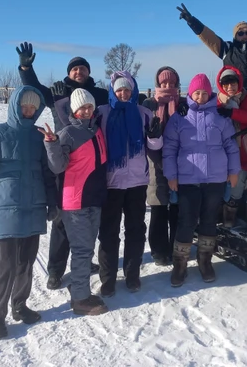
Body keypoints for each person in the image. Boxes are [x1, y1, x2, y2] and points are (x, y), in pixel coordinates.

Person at [0, 86, 56, 339]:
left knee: (26, 264)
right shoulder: (0, 132)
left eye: (33, 107)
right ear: (15, 106)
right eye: (24, 106)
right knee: (4, 267)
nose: (28, 111)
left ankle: (20, 306)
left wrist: (52, 202)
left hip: (34, 206)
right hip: (6, 208)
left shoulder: (39, 135)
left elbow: (48, 173)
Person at [16, 42, 106, 289]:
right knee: (63, 219)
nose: (79, 72)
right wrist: (26, 67)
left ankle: (84, 260)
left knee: (87, 216)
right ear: (69, 73)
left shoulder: (98, 94)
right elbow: (33, 88)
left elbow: (122, 98)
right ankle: (55, 269)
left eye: (83, 69)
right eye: (75, 69)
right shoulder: (58, 91)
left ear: (88, 73)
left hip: (89, 159)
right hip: (63, 156)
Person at [163, 74, 241, 287]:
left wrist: (233, 171)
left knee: (208, 220)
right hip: (188, 179)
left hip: (215, 178)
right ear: (190, 93)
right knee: (186, 221)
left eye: (204, 93)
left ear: (210, 94)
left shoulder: (220, 118)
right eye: (196, 92)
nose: (200, 96)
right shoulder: (179, 118)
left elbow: (231, 146)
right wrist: (171, 176)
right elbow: (169, 149)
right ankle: (180, 265)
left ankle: (205, 261)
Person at [42, 89, 110, 316]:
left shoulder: (96, 130)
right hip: (75, 202)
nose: (86, 110)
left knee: (87, 247)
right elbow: (57, 167)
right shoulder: (68, 133)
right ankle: (80, 299)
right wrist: (51, 143)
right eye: (82, 107)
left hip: (94, 199)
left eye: (89, 106)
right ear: (73, 110)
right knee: (82, 250)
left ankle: (78, 286)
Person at [96, 71, 163, 296]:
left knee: (135, 230)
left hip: (136, 182)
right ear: (113, 92)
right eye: (119, 90)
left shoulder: (143, 113)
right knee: (108, 232)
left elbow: (153, 146)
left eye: (127, 89)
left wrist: (155, 135)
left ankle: (132, 275)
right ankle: (108, 279)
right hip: (111, 182)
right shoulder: (101, 113)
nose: (123, 93)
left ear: (133, 91)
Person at [142, 66, 189, 266]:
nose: (168, 86)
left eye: (171, 83)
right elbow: (142, 132)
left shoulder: (185, 103)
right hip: (154, 161)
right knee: (159, 206)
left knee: (178, 208)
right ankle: (159, 250)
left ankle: (176, 247)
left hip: (181, 162)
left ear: (177, 85)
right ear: (158, 84)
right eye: (164, 83)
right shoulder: (149, 103)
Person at [215, 66, 247, 227]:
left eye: (233, 83)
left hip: (245, 152)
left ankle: (230, 222)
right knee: (219, 189)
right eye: (226, 83)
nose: (230, 87)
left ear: (239, 83)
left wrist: (233, 113)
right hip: (220, 153)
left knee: (236, 187)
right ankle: (215, 220)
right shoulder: (217, 102)